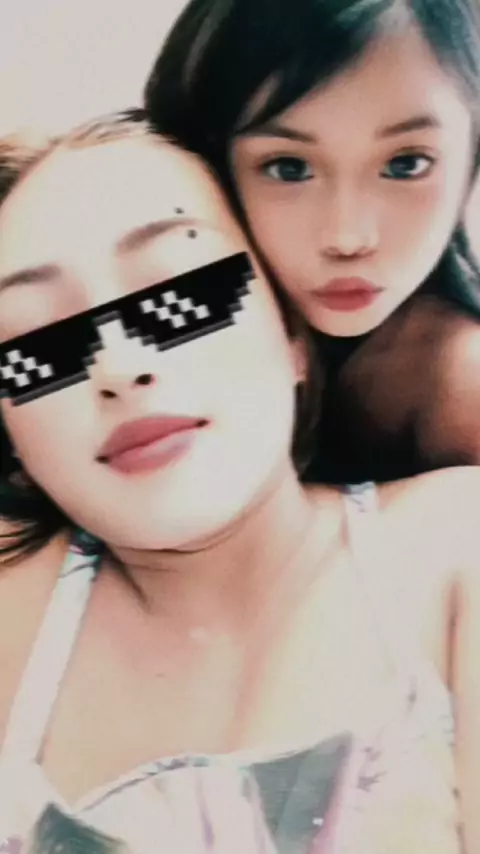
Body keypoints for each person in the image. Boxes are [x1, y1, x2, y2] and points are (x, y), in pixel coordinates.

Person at [0, 109, 479, 854]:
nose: (120, 367)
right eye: (37, 344)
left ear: (292, 334)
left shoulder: (452, 550)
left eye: (181, 296)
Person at [144, 0, 480, 482]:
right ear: (209, 162)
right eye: (289, 168)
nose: (348, 238)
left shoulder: (462, 384)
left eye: (406, 164)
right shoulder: (148, 334)